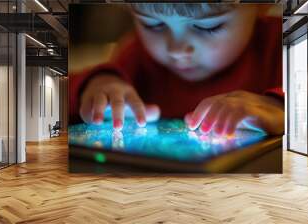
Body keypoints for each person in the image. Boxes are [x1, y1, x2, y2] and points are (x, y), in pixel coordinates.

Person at [69, 3, 284, 137]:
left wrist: (283, 107)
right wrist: (98, 83)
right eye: (153, 25)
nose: (177, 49)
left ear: (261, 6)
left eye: (207, 26)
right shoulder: (138, 56)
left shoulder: (284, 46)